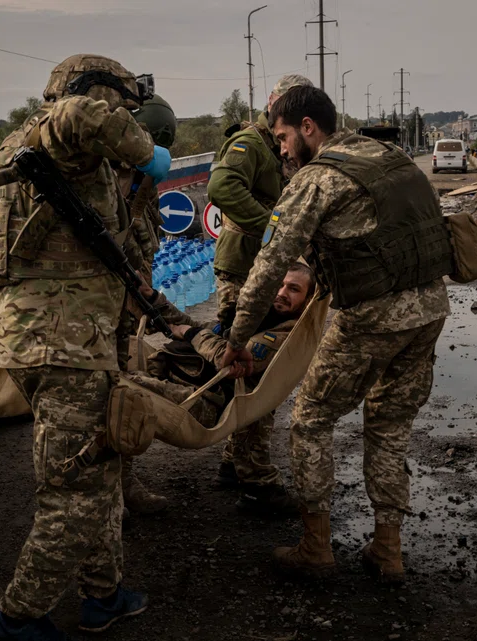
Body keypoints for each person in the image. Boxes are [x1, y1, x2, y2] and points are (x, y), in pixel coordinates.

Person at [0, 54, 170, 641]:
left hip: (55, 340)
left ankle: (102, 595)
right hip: (63, 346)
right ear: (98, 93)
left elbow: (111, 249)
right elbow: (77, 114)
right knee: (74, 495)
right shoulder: (58, 133)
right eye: (124, 106)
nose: (129, 118)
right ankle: (16, 615)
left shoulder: (19, 155)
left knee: (99, 471)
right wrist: (149, 155)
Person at [221, 86, 452, 584]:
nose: (282, 150)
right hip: (429, 311)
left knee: (310, 419)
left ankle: (315, 546)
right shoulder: (387, 156)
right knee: (390, 425)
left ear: (308, 127)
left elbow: (269, 265)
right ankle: (387, 551)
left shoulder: (318, 178)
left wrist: (237, 339)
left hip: (372, 317)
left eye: (283, 137)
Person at [206, 73, 313, 510]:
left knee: (257, 366)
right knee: (255, 370)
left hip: (265, 269)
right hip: (244, 270)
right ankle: (255, 476)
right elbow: (221, 187)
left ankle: (235, 463)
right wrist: (272, 228)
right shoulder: (251, 143)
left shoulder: (281, 147)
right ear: (271, 103)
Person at [132, 263, 315, 429]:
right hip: (187, 380)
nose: (282, 293)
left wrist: (190, 333)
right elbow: (198, 327)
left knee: (128, 387)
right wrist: (153, 297)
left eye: (294, 289)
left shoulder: (286, 336)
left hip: (208, 402)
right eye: (279, 285)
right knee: (129, 363)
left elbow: (227, 357)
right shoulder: (260, 316)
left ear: (308, 299)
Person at [113, 93, 182, 518]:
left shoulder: (142, 181)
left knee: (120, 392)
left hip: (125, 306)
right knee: (96, 400)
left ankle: (123, 485)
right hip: (94, 308)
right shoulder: (100, 176)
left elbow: (144, 239)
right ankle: (106, 496)